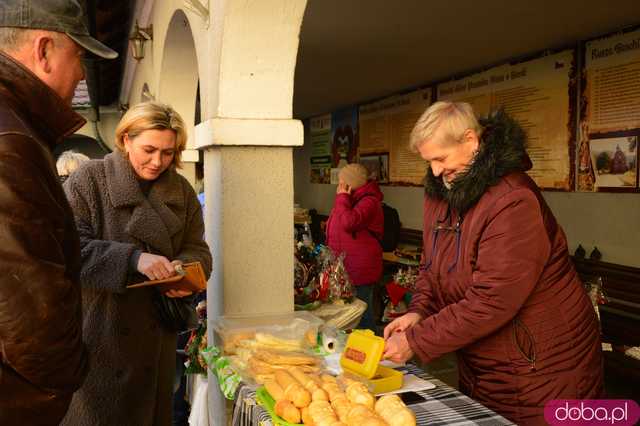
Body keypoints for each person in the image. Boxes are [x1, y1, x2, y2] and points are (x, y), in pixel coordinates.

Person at [383, 101, 603, 424]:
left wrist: (417, 340)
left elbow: (492, 299)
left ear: (471, 141)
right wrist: (419, 312)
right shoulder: (440, 193)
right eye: (428, 161)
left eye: (440, 158)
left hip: (544, 367)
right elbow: (431, 268)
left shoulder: (513, 199)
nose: (434, 171)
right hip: (487, 364)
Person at [0, 1, 117, 424]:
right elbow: (27, 316)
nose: (84, 74)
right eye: (79, 56)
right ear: (45, 50)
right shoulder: (11, 141)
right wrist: (65, 379)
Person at [61, 101, 212, 426]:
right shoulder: (89, 180)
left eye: (168, 153)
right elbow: (67, 248)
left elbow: (198, 250)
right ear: (126, 139)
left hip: (156, 338)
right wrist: (133, 259)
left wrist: (182, 272)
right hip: (99, 334)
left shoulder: (182, 192)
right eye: (149, 149)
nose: (158, 161)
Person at [326, 163, 384, 330]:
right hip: (347, 265)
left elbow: (349, 222)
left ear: (349, 183)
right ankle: (357, 349)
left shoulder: (369, 202)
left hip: (361, 269)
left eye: (341, 182)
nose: (339, 186)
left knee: (362, 314)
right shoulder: (350, 199)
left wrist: (342, 197)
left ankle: (374, 349)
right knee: (350, 313)